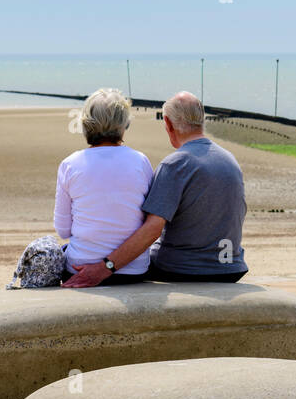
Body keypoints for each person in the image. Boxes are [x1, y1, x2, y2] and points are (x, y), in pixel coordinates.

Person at [63, 91, 248, 287]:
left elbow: (152, 230)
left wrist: (104, 267)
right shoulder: (230, 159)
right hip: (231, 267)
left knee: (124, 260)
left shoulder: (176, 164)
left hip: (186, 269)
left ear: (167, 123)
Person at [50, 88, 154, 285]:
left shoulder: (70, 164)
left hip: (79, 267)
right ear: (124, 125)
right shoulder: (140, 161)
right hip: (133, 269)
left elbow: (63, 230)